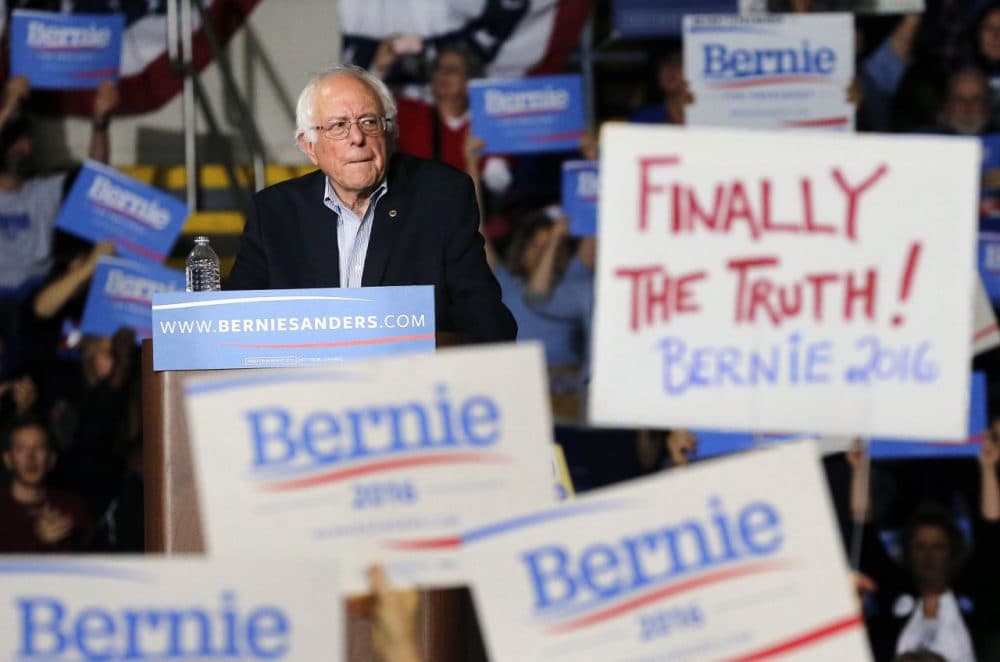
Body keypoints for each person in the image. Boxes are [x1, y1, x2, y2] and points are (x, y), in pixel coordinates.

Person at [225, 64, 516, 343]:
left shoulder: (441, 196)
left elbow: (482, 313)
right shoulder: (275, 212)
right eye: (339, 126)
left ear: (389, 133)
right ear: (309, 146)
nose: (357, 137)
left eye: (368, 122)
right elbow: (232, 323)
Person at [849, 437, 1000, 661]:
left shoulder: (977, 597)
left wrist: (988, 469)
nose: (928, 556)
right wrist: (860, 469)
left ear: (952, 552)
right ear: (908, 552)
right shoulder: (890, 593)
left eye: (937, 546)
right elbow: (863, 530)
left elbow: (991, 532)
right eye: (920, 547)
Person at [0, 417, 93, 552]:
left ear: (51, 459)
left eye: (39, 448)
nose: (30, 458)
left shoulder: (72, 507)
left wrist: (60, 542)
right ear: (8, 459)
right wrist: (39, 543)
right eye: (21, 449)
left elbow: (92, 564)